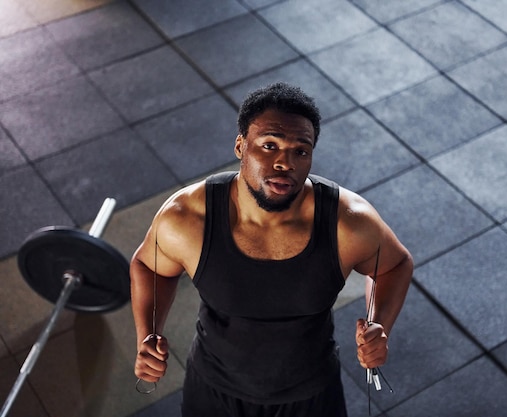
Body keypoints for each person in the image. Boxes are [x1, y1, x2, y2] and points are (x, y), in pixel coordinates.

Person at [131, 82, 413, 416]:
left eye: (300, 151)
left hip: (310, 394)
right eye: (269, 145)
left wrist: (378, 323)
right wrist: (147, 333)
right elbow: (149, 266)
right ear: (240, 145)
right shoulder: (187, 218)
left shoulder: (349, 223)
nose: (284, 162)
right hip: (213, 390)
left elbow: (394, 265)